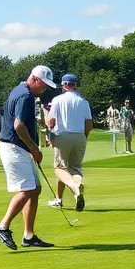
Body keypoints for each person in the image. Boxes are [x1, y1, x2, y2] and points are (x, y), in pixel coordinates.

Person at [0, 66, 56, 251]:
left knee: (35, 189)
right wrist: (34, 148)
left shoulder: (20, 90)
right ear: (35, 79)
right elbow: (18, 125)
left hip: (18, 148)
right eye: (43, 85)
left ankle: (29, 235)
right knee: (28, 189)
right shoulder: (25, 96)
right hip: (14, 148)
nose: (44, 89)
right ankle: (2, 226)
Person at [45, 74, 92, 211]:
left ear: (64, 85)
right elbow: (89, 124)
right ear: (75, 85)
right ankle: (60, 198)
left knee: (59, 168)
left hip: (63, 136)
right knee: (74, 168)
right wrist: (83, 137)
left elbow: (50, 121)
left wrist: (49, 134)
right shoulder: (84, 101)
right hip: (80, 136)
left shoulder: (57, 100)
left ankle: (74, 187)